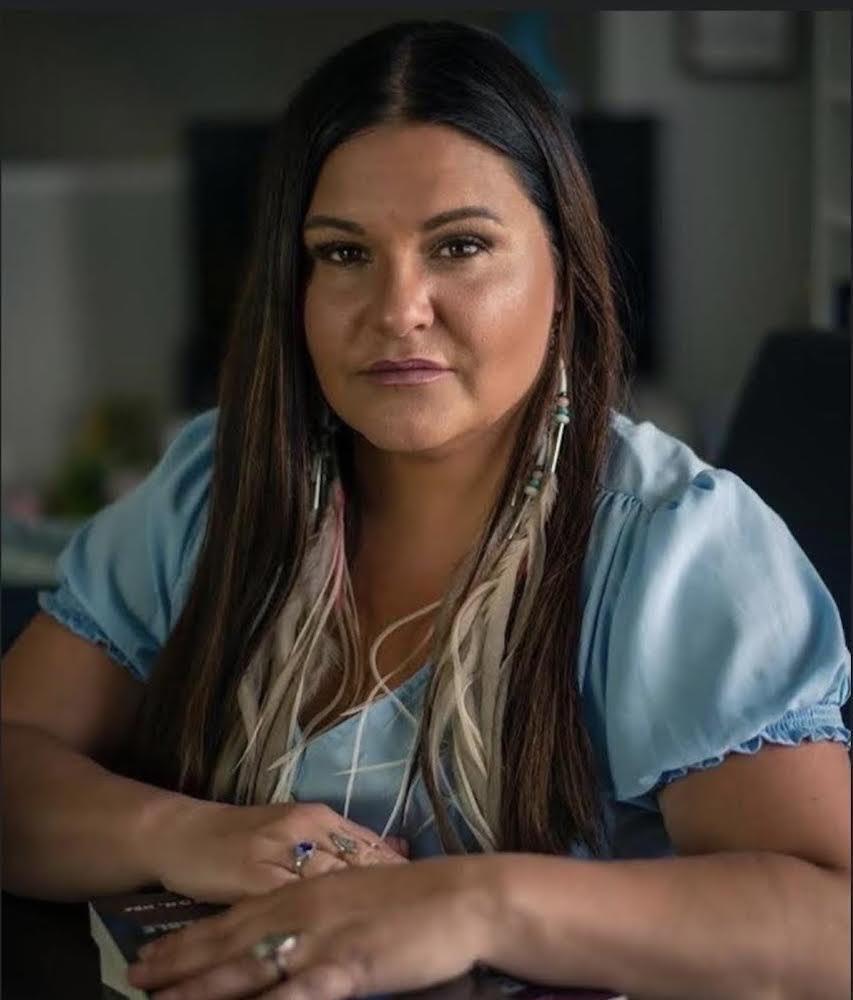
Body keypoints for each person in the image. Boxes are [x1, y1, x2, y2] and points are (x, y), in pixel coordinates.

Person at [2, 19, 850, 1000]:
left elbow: (829, 925)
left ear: (565, 278)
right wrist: (191, 836)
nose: (399, 307)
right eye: (343, 254)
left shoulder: (672, 544)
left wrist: (471, 902)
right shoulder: (213, 485)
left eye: (458, 245)